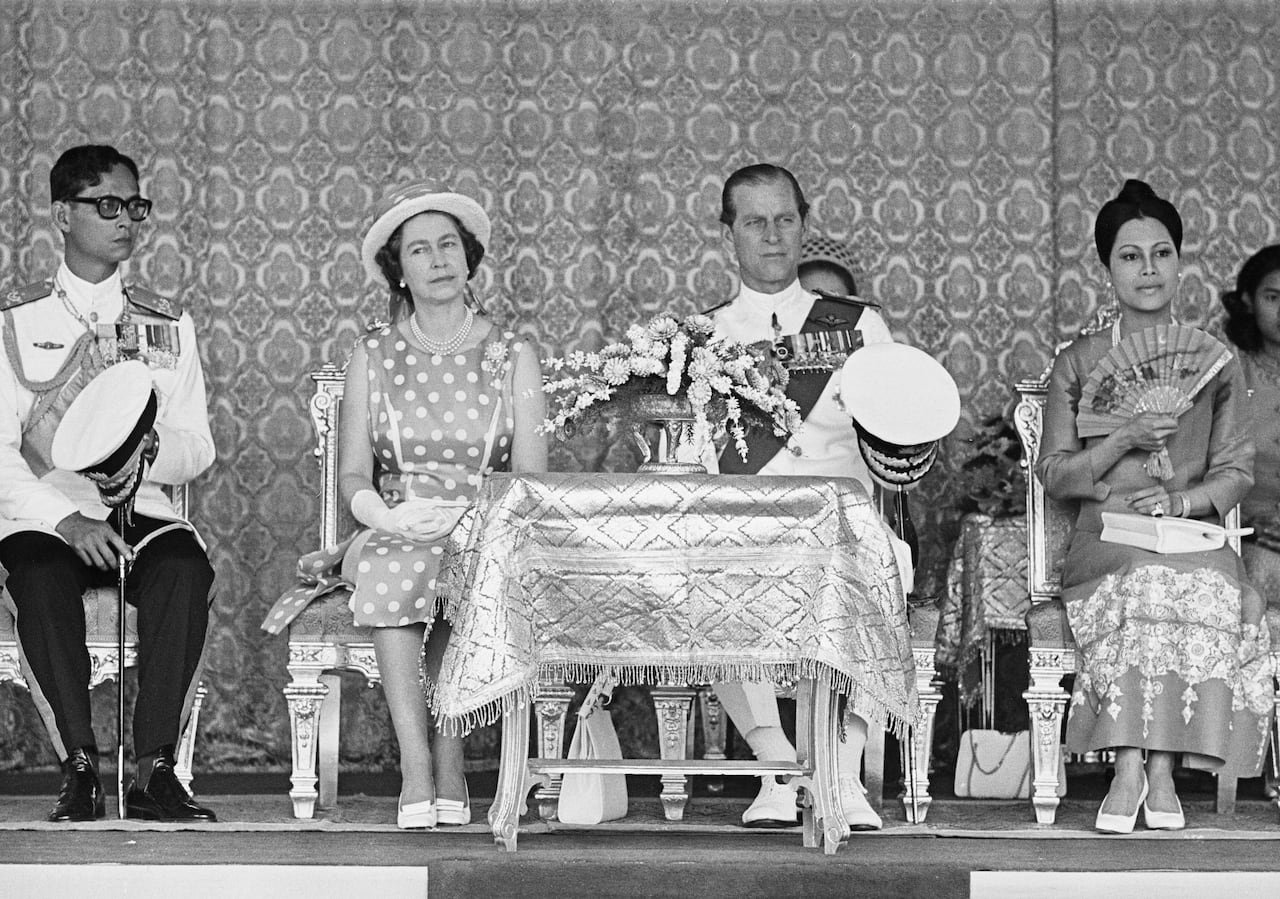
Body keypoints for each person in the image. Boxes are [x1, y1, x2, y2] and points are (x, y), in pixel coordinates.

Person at [263, 183, 546, 829]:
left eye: (449, 244)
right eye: (420, 249)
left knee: (457, 569)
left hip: (487, 523)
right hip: (395, 522)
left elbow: (530, 475)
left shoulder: (513, 353)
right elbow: (354, 468)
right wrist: (383, 514)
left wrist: (470, 514)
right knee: (400, 560)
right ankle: (419, 765)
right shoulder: (375, 353)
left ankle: (449, 757)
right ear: (399, 268)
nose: (439, 259)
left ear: (470, 257)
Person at [1037, 179, 1272, 834]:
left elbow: (1235, 471)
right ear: (1107, 267)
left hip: (1191, 535)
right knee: (1145, 575)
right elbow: (1054, 472)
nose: (1148, 269)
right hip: (1106, 532)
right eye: (1130, 256)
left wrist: (1182, 498)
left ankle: (1161, 767)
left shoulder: (1217, 364)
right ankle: (1130, 765)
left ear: (1179, 260)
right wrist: (1124, 438)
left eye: (1161, 253)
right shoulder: (1079, 362)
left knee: (1195, 581)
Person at [0, 145, 217, 822]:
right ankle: (82, 768)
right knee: (38, 574)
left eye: (135, 206)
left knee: (184, 565)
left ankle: (155, 769)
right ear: (63, 215)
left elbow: (197, 446)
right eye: (108, 205)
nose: (126, 220)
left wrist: (154, 454)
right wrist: (65, 521)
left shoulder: (168, 326)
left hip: (138, 510)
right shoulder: (16, 324)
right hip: (48, 514)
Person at [703, 163, 912, 831]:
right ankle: (777, 767)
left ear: (804, 224)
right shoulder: (699, 339)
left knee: (872, 562)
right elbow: (697, 461)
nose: (772, 236)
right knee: (705, 575)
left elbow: (900, 437)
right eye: (755, 222)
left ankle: (842, 769)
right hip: (748, 529)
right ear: (728, 233)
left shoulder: (858, 325)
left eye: (785, 219)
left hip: (842, 522)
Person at [1222, 244, 1280, 649]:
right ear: (1247, 301)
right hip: (1245, 534)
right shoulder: (1227, 370)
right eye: (1274, 298)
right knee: (1257, 572)